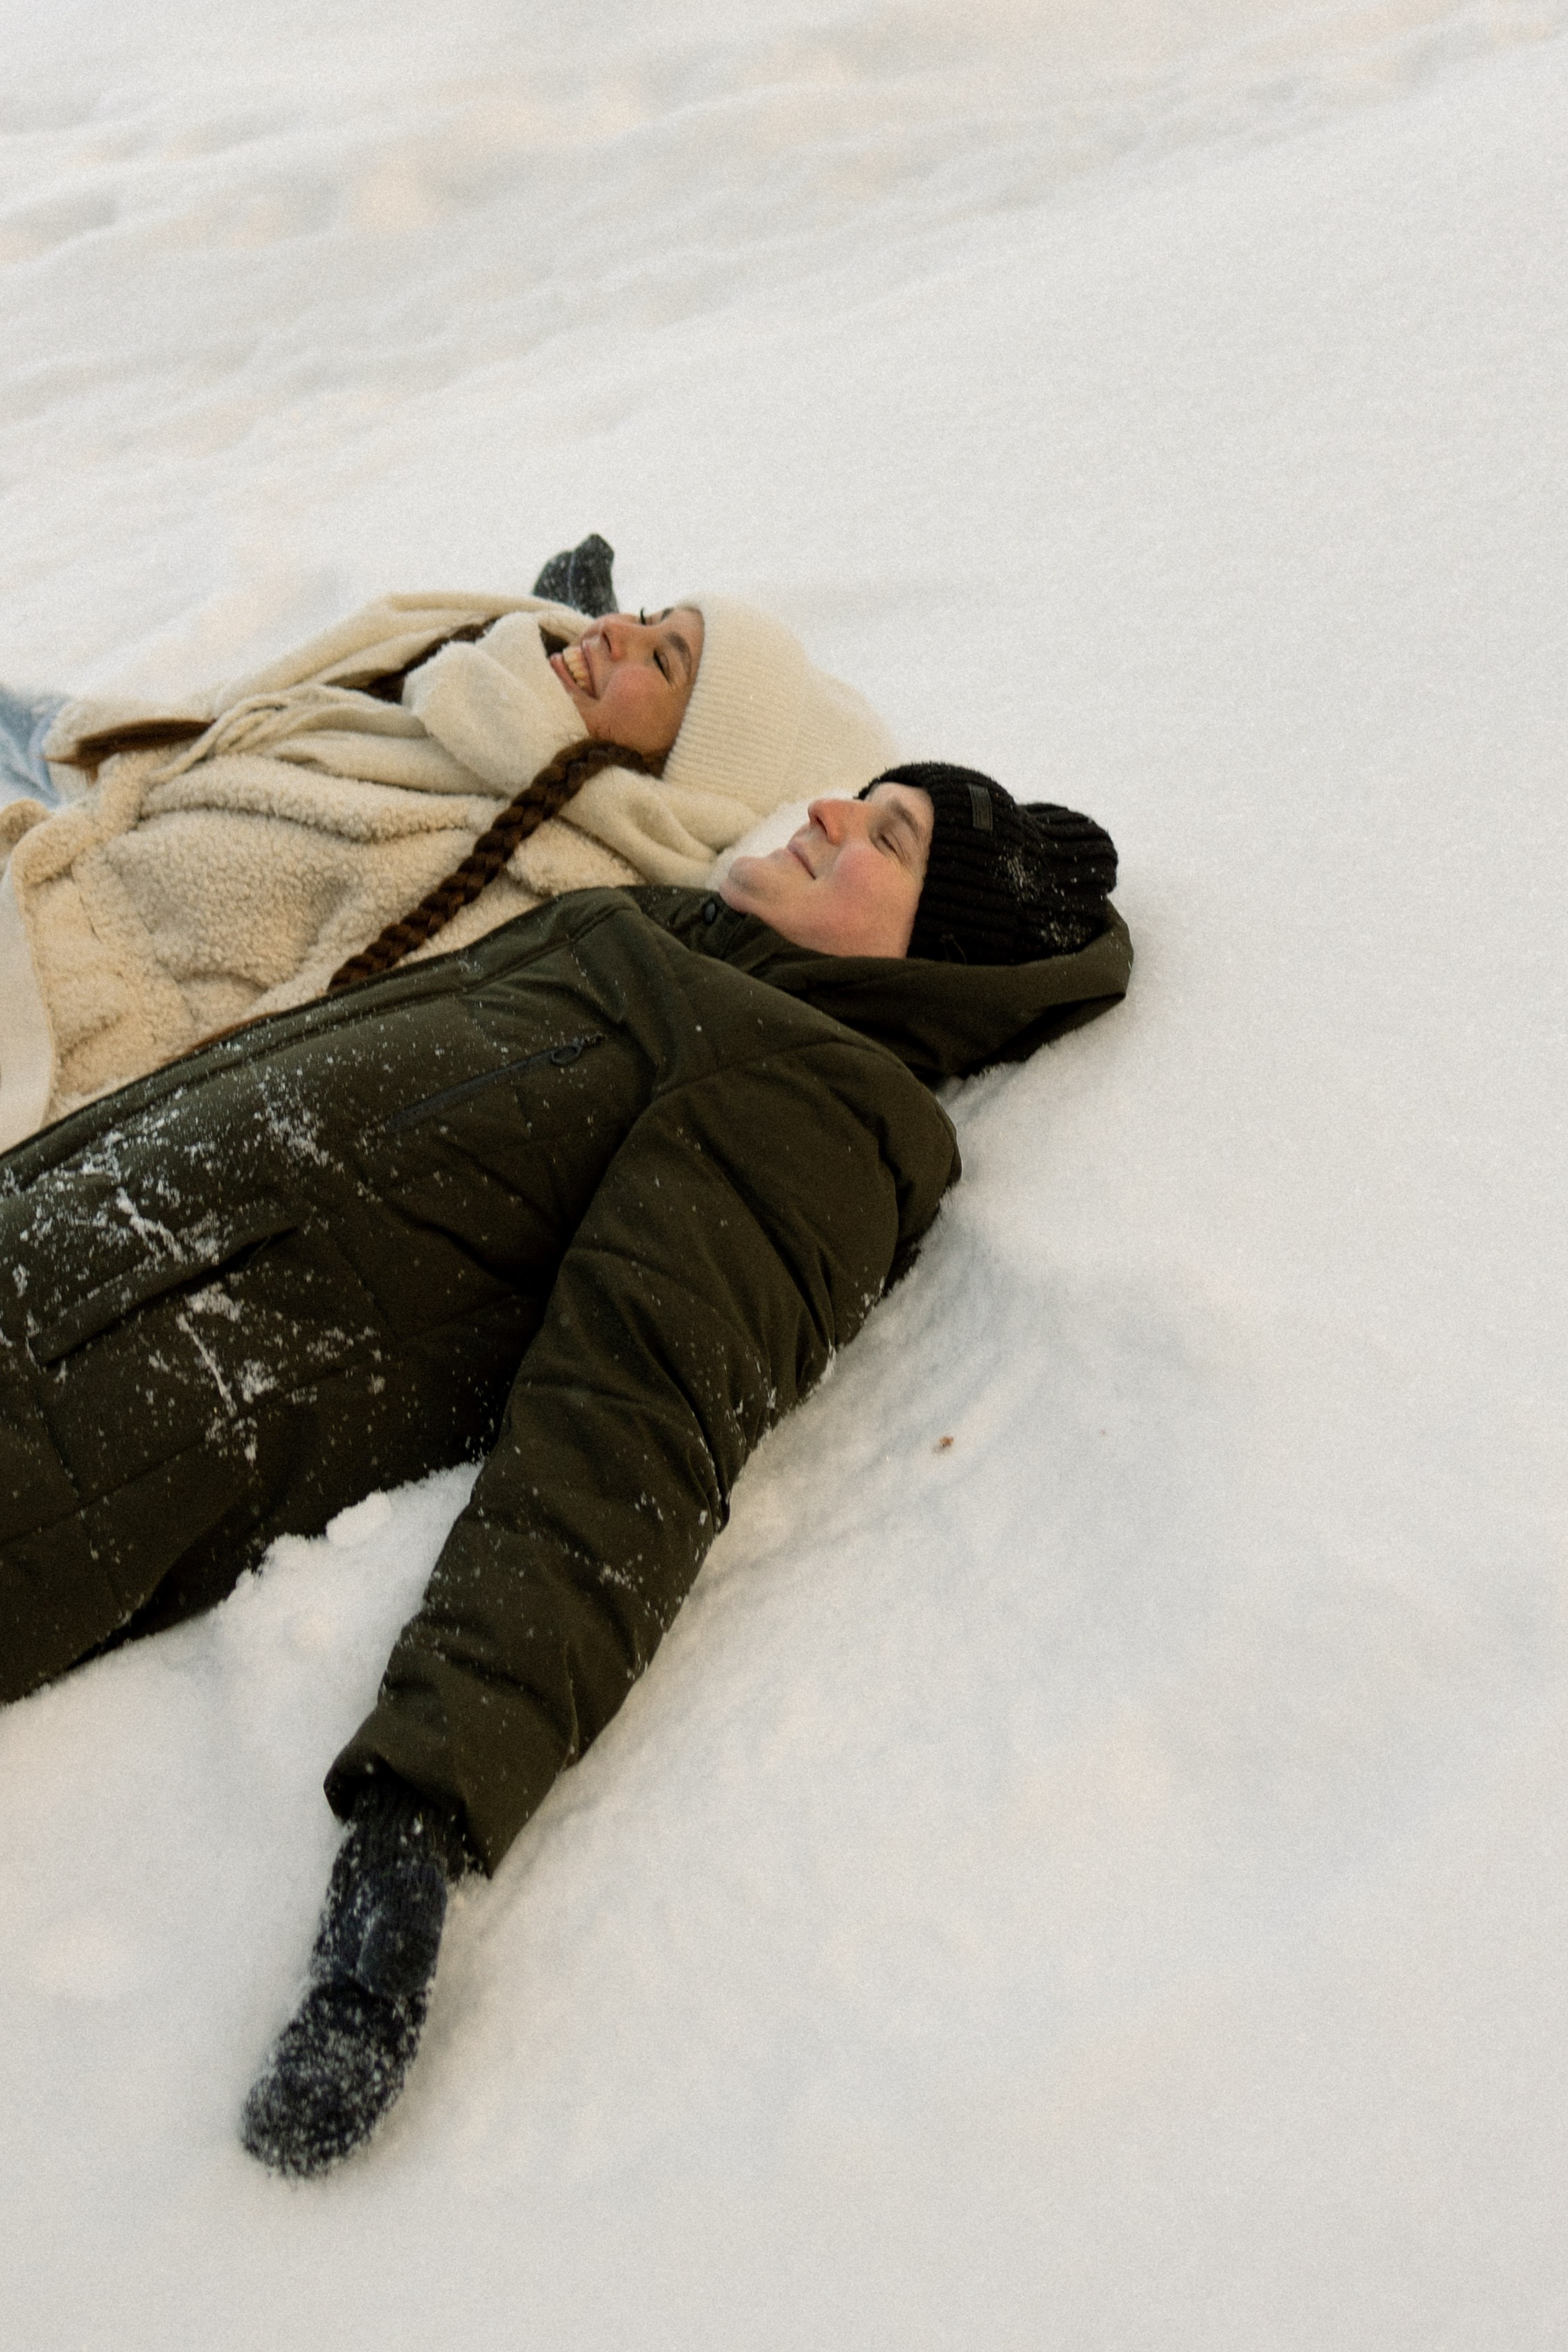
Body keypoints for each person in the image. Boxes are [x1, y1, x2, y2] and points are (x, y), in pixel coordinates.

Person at [0, 749, 1130, 2177]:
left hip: (75, 1437)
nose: (826, 807)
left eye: (885, 836)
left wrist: (419, 1822)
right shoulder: (655, 937)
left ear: (935, 957)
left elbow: (621, 1444)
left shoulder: (815, 1104)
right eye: (857, 792)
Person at [0, 537, 897, 1147]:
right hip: (69, 844)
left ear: (695, 768)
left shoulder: (545, 883)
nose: (612, 632)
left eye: (662, 662)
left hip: (47, 1009)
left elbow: (251, 1069)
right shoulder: (479, 692)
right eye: (651, 619)